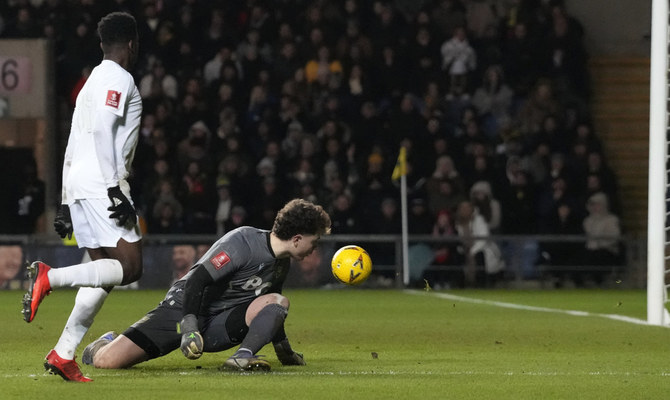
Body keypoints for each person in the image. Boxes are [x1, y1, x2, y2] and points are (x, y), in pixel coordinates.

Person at [21, 12, 143, 382]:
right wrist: (112, 187)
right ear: (132, 45)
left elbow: (73, 141)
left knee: (102, 276)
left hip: (80, 184)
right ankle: (50, 276)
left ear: (103, 44)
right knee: (131, 267)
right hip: (102, 185)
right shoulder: (119, 79)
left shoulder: (89, 83)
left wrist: (63, 199)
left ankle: (63, 352)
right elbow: (105, 129)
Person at [81, 198, 331, 372]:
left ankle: (242, 357)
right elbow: (198, 280)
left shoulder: (281, 262)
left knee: (277, 300)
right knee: (108, 362)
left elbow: (271, 309)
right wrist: (189, 327)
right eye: (314, 241)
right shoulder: (243, 242)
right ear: (297, 239)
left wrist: (284, 350)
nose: (314, 248)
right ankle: (103, 343)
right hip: (182, 310)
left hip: (218, 325)